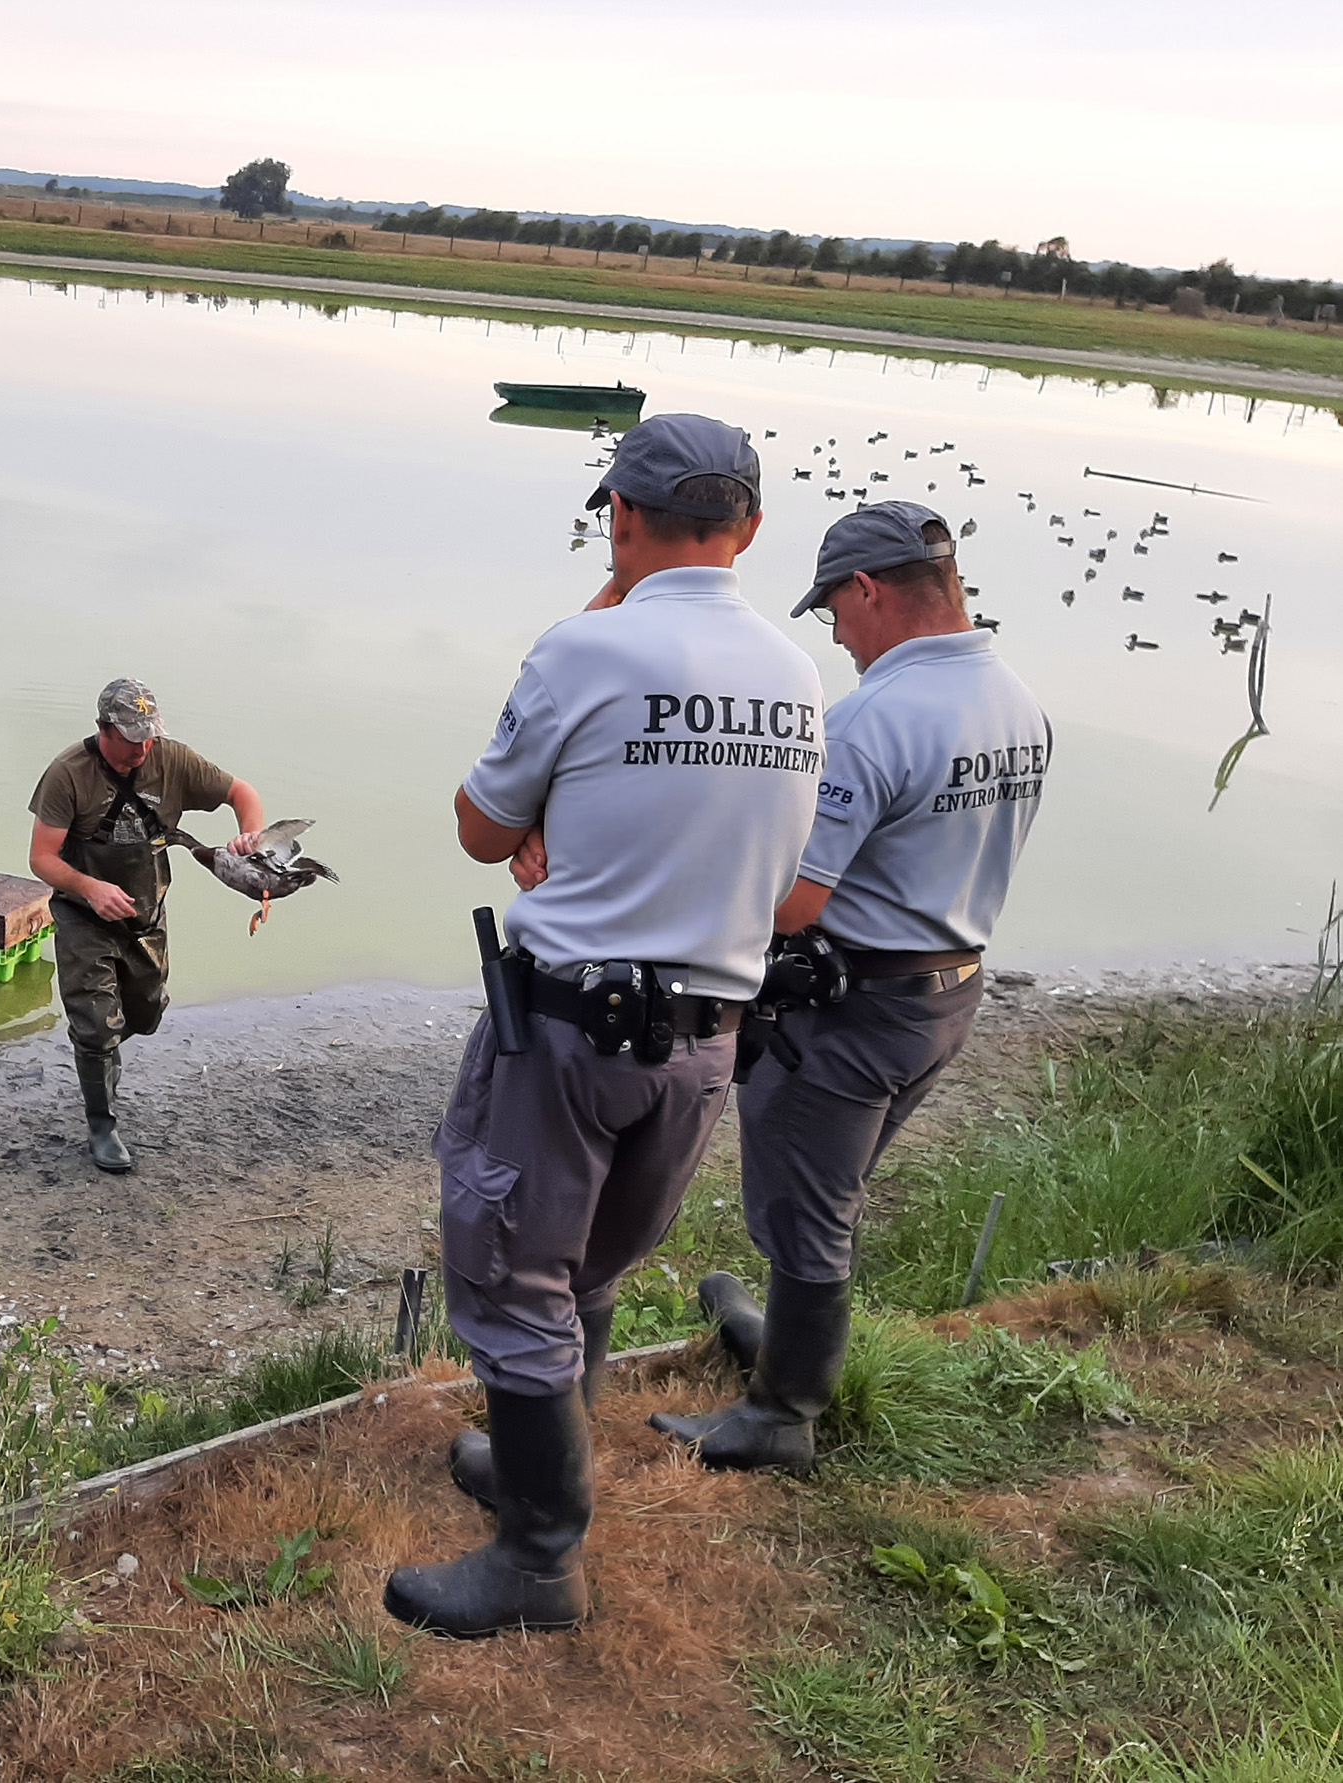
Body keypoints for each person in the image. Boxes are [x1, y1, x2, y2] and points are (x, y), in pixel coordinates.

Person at [383, 414, 823, 1639]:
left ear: (617, 518)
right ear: (748, 526)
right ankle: (535, 1464)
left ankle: (538, 1558)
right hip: (704, 1043)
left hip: (570, 1031)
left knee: (513, 1275)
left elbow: (479, 824)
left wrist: (558, 840)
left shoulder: (584, 648)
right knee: (591, 1267)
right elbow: (768, 860)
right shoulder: (796, 674)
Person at [651, 501, 1050, 1472]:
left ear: (867, 589)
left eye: (833, 610)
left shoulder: (872, 719)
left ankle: (782, 1412)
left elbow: (793, 904)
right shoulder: (1017, 701)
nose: (834, 632)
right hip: (947, 992)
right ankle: (780, 1339)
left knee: (810, 1201)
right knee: (826, 1187)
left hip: (853, 1005)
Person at [28, 679, 265, 1173]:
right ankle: (102, 1123)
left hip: (145, 914)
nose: (142, 747)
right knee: (95, 1024)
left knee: (145, 1013)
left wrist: (250, 835)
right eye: (131, 737)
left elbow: (241, 792)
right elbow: (42, 859)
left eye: (148, 735)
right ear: (103, 729)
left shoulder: (173, 760)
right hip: (84, 915)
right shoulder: (67, 774)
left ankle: (105, 1052)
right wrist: (90, 888)